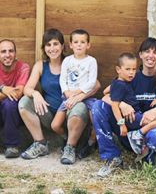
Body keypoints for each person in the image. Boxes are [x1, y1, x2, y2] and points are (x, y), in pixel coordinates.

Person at [92, 37, 156, 177]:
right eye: (147, 51)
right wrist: (122, 104)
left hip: (150, 131)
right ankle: (112, 158)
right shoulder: (130, 76)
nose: (150, 55)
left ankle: (149, 155)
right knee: (98, 106)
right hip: (128, 131)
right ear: (140, 55)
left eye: (155, 52)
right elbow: (106, 96)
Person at [18, 29, 100, 162]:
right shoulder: (41, 66)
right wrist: (35, 93)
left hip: (72, 110)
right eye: (48, 45)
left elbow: (96, 85)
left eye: (55, 44)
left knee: (79, 107)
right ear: (44, 48)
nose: (52, 48)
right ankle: (40, 143)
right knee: (24, 102)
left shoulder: (73, 62)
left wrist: (78, 97)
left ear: (63, 46)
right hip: (50, 114)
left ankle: (70, 148)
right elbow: (27, 88)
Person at [50, 29, 98, 164]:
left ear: (88, 45)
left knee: (96, 119)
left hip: (85, 97)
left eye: (83, 42)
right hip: (68, 97)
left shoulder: (91, 61)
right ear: (70, 45)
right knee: (55, 125)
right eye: (76, 42)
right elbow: (62, 79)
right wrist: (66, 92)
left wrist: (77, 93)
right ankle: (67, 140)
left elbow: (92, 82)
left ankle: (90, 143)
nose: (79, 45)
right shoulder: (67, 61)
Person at [0, 39, 29, 158]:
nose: (7, 55)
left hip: (13, 113)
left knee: (10, 103)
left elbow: (18, 93)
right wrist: (3, 88)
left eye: (11, 51)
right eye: (3, 51)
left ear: (15, 53)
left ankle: (12, 146)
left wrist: (3, 89)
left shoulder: (23, 67)